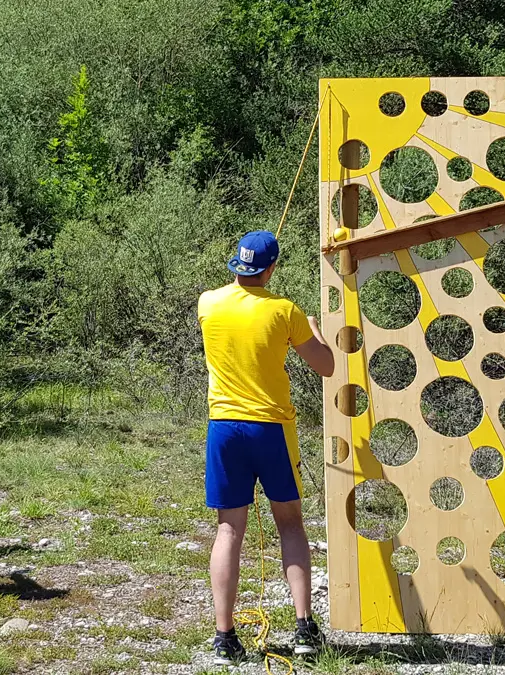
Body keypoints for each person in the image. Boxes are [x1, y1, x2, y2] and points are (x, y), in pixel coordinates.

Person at [197, 230, 336, 665]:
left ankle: (224, 638)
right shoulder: (285, 311)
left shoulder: (208, 303)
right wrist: (313, 329)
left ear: (237, 265)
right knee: (290, 524)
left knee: (227, 530)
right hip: (270, 428)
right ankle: (303, 630)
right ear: (271, 268)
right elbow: (326, 365)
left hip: (224, 428)